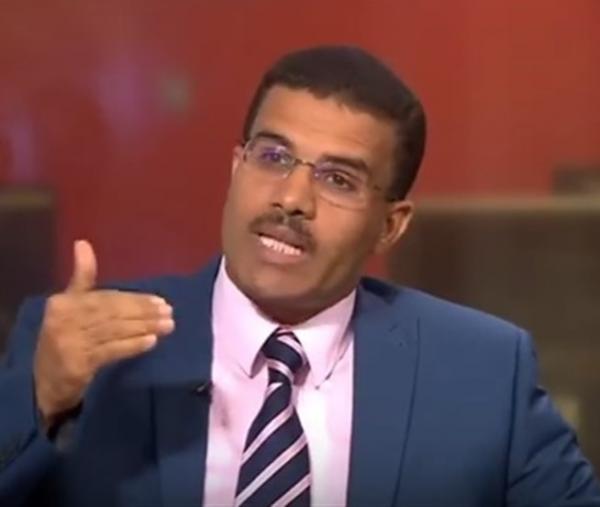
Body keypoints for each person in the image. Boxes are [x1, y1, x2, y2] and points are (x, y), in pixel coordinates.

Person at [0, 45, 598, 507]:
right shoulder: (77, 348)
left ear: (390, 225)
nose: (291, 199)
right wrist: (39, 398)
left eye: (338, 179)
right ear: (236, 167)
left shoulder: (483, 374)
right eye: (274, 157)